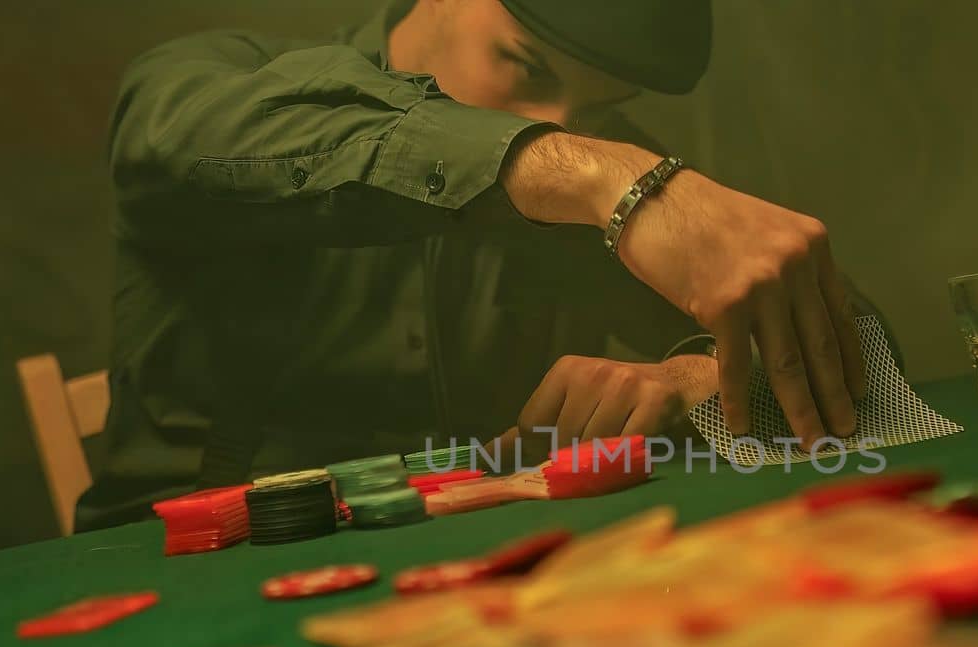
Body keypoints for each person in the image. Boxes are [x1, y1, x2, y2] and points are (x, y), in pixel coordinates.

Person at [76, 0, 889, 530]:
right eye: (527, 67)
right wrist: (594, 174)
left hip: (472, 560)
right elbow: (179, 143)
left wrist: (694, 377)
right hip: (185, 566)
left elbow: (848, 356)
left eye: (593, 108)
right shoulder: (210, 81)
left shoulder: (603, 171)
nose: (557, 121)